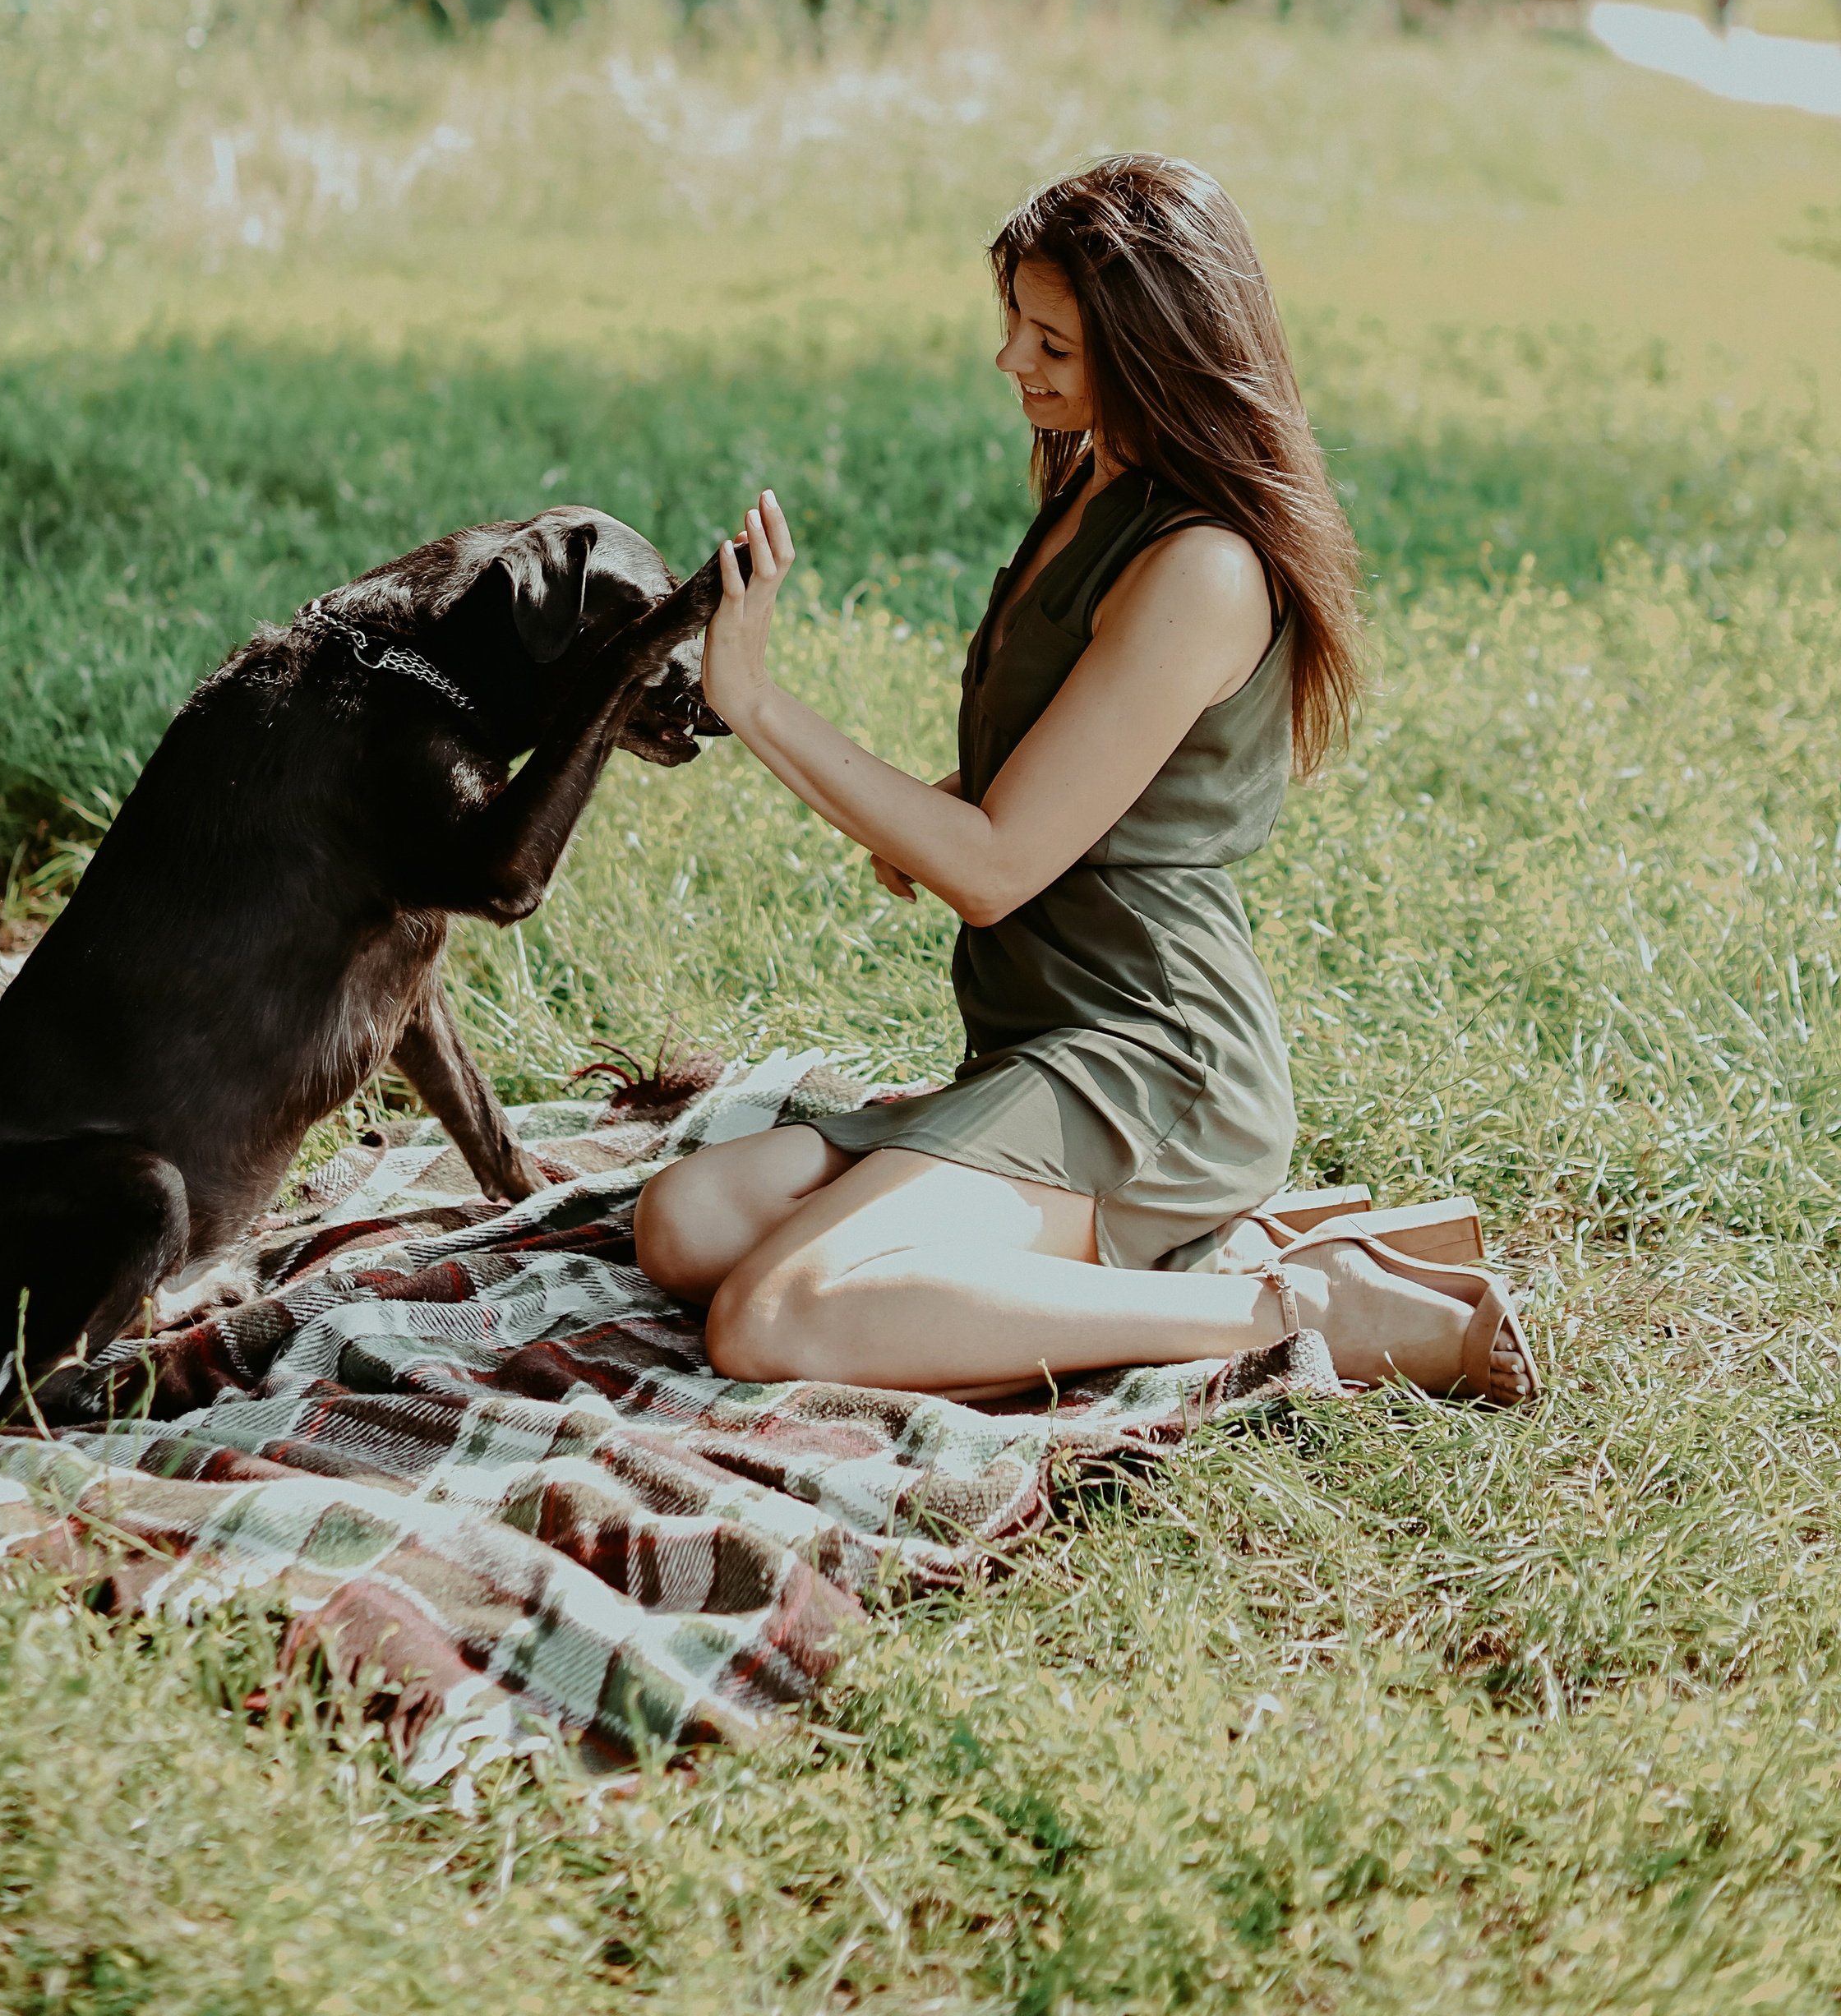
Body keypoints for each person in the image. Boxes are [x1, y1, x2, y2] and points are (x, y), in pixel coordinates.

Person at [634, 155, 1536, 1409]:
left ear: (1156, 349)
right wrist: (937, 803)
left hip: (1153, 1062)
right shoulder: (1092, 486)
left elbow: (996, 870)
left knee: (775, 1316)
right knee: (686, 1220)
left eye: (1051, 338)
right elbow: (1056, 769)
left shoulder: (1202, 566)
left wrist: (759, 704)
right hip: (1041, 1045)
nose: (1011, 359)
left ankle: (1299, 1307)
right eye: (1013, 321)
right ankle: (1133, 1249)